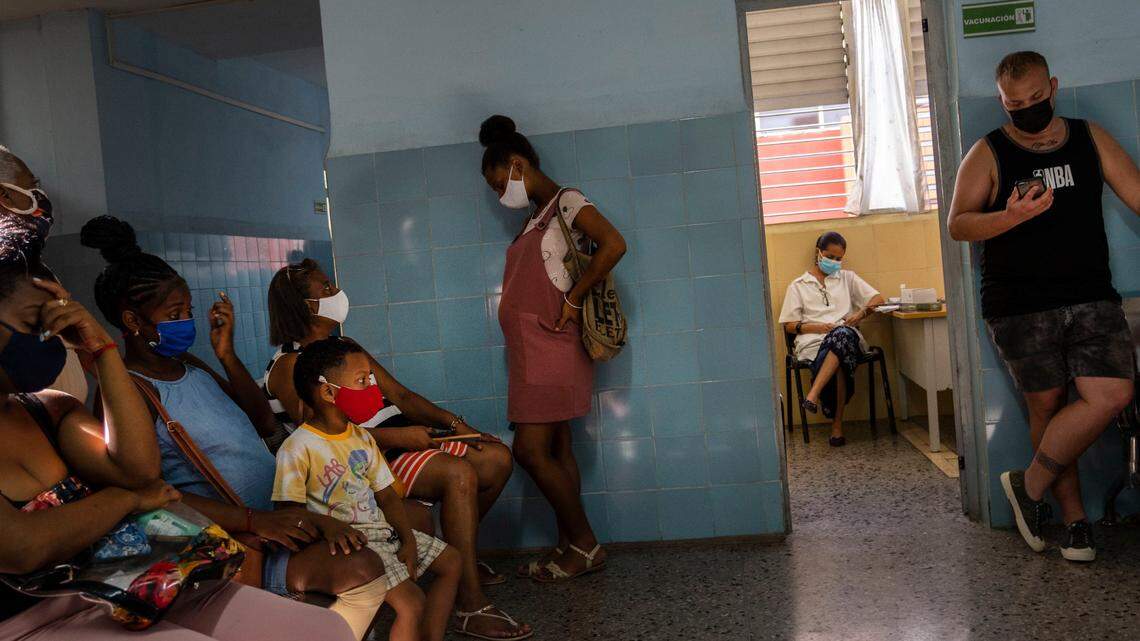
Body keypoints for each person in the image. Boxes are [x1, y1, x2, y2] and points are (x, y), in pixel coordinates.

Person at [0, 150, 354, 641]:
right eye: (26, 325)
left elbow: (142, 472)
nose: (42, 337)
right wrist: (127, 499)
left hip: (122, 585)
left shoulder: (48, 410)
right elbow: (21, 546)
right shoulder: (127, 391)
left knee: (325, 632)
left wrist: (101, 347)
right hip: (36, 615)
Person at [78, 215, 388, 633]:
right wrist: (253, 522)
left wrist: (225, 355)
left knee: (377, 551)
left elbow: (262, 421)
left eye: (187, 309)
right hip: (238, 538)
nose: (187, 321)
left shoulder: (188, 365)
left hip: (280, 517)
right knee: (358, 570)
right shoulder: (131, 393)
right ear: (133, 322)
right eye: (175, 313)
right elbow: (148, 495)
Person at [264, 258, 531, 640]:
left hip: (399, 443)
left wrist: (457, 426)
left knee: (496, 458)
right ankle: (470, 603)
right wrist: (401, 439)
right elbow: (325, 435)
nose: (335, 292)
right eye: (325, 288)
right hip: (375, 456)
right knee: (459, 474)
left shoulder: (342, 347)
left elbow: (401, 395)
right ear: (302, 305)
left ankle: (463, 555)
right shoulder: (293, 366)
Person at [948, 51, 1139, 562]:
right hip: (1018, 304)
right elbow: (959, 224)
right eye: (1015, 104)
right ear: (1001, 101)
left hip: (1090, 295)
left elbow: (1138, 193)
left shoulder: (1089, 137)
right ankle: (1075, 523)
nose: (1027, 109)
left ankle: (1028, 487)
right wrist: (1009, 217)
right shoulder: (987, 152)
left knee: (1113, 394)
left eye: (1036, 99)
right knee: (1047, 407)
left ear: (1053, 87)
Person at [479, 114, 626, 581]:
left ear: (518, 164)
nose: (500, 194)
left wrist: (574, 297)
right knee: (558, 448)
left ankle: (585, 544)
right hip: (532, 348)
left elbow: (614, 244)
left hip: (551, 346)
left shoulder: (567, 202)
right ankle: (569, 546)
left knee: (530, 450)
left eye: (500, 182)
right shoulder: (536, 218)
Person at [277, 337, 463, 641]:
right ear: (328, 392)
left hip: (384, 532)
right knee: (411, 602)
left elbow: (388, 496)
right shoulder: (298, 447)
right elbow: (287, 514)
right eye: (363, 382)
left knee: (452, 562)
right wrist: (329, 526)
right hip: (353, 544)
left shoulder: (361, 438)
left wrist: (408, 540)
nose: (373, 391)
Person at [778, 232, 885, 446]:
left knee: (841, 337)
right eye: (830, 256)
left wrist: (860, 314)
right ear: (818, 252)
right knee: (838, 355)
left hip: (847, 337)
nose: (834, 262)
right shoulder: (799, 285)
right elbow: (789, 325)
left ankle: (813, 395)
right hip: (814, 344)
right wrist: (820, 327)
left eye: (838, 259)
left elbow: (878, 299)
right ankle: (836, 427)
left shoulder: (847, 278)